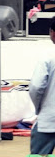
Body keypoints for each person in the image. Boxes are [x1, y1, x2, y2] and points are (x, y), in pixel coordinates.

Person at [28, 16, 55, 155]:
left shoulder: (47, 57)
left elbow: (36, 87)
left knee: (39, 154)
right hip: (48, 118)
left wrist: (39, 108)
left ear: (52, 33)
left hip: (49, 119)